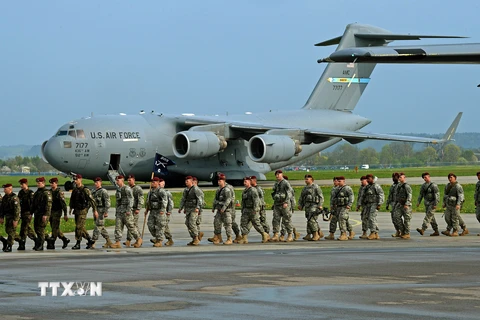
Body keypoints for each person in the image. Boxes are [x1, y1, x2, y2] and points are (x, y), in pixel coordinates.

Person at [110, 175, 143, 248]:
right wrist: (117, 211)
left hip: (126, 211)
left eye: (118, 180)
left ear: (122, 180)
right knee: (118, 227)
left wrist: (129, 210)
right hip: (120, 211)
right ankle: (117, 242)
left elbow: (131, 199)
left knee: (131, 226)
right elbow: (118, 201)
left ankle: (138, 239)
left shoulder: (127, 189)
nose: (117, 182)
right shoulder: (118, 189)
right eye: (116, 180)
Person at [237, 176, 269, 244]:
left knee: (256, 224)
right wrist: (242, 209)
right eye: (244, 182)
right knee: (243, 224)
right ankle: (244, 238)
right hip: (246, 210)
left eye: (246, 182)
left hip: (252, 210)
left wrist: (255, 210)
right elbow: (243, 201)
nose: (244, 183)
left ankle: (264, 234)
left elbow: (256, 201)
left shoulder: (253, 190)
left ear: (249, 182)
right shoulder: (245, 191)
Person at [69, 174, 97, 250]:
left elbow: (92, 200)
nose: (75, 181)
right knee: (81, 228)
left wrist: (95, 210)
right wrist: (71, 208)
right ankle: (90, 240)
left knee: (78, 227)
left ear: (81, 179)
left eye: (77, 179)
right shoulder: (75, 190)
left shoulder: (85, 190)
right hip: (76, 210)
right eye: (74, 180)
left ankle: (78, 243)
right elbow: (72, 199)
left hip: (83, 210)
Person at [270, 170, 294, 242]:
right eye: (276, 174)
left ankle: (290, 235)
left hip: (284, 203)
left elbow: (290, 192)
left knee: (286, 220)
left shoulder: (285, 183)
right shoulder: (276, 183)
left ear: (282, 175)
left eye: (279, 174)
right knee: (275, 219)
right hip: (277, 203)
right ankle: (276, 235)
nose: (277, 176)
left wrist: (286, 202)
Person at [298, 174, 324, 241]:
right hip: (307, 205)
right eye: (305, 179)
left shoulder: (316, 187)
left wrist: (320, 205)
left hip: (314, 205)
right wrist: (300, 205)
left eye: (307, 179)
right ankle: (310, 233)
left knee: (311, 219)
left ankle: (316, 234)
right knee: (309, 220)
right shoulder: (305, 188)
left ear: (312, 180)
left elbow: (321, 197)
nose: (306, 180)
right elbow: (302, 197)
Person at [46, 177, 70, 249]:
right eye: (51, 183)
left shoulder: (59, 192)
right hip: (51, 211)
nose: (51, 184)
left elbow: (63, 204)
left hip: (57, 211)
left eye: (53, 183)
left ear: (56, 184)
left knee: (54, 227)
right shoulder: (49, 192)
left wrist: (65, 214)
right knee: (54, 227)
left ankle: (52, 242)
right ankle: (64, 239)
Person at [178, 176, 202, 245]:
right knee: (187, 223)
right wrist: (181, 208)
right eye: (185, 181)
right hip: (188, 209)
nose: (186, 182)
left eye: (187, 181)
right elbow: (183, 199)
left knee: (192, 223)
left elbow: (199, 199)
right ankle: (194, 238)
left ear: (191, 182)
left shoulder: (195, 189)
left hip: (194, 209)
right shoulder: (186, 190)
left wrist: (198, 208)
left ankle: (196, 238)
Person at [211, 173, 235, 245]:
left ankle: (229, 238)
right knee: (217, 223)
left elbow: (228, 200)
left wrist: (224, 208)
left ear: (224, 181)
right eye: (218, 181)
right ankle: (218, 237)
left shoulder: (227, 190)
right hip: (219, 209)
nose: (219, 182)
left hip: (226, 210)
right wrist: (213, 207)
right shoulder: (218, 190)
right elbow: (216, 199)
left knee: (228, 224)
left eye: (220, 181)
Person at [145, 177, 168, 247]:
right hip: (152, 211)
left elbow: (165, 200)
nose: (152, 183)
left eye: (154, 182)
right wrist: (147, 209)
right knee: (150, 225)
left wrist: (162, 210)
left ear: (158, 183)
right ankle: (157, 237)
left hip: (159, 211)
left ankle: (159, 241)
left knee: (160, 226)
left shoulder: (161, 191)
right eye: (152, 182)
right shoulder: (150, 192)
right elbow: (148, 201)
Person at [32, 177, 52, 251]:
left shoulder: (46, 193)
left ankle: (41, 245)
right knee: (36, 228)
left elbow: (48, 205)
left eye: (39, 183)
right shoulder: (37, 192)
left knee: (40, 229)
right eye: (37, 183)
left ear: (43, 183)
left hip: (43, 214)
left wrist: (46, 214)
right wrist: (31, 213)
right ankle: (49, 240)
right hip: (37, 213)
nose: (38, 184)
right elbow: (34, 204)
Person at [91, 177, 112, 248]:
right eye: (95, 182)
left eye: (97, 182)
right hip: (95, 211)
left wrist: (106, 211)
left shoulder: (103, 191)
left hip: (101, 211)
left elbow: (107, 202)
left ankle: (93, 241)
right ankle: (108, 241)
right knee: (101, 227)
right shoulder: (93, 191)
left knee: (98, 226)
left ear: (100, 182)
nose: (95, 183)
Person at [332, 176, 354, 241]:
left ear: (344, 181)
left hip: (345, 206)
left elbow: (351, 196)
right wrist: (333, 205)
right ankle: (351, 232)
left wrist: (349, 205)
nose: (338, 182)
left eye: (340, 181)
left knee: (342, 218)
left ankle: (343, 234)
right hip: (338, 206)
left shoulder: (347, 188)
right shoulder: (336, 189)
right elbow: (334, 198)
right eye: (338, 181)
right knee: (344, 220)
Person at [363, 174, 384, 240]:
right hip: (368, 204)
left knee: (372, 218)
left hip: (374, 204)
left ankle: (373, 232)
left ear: (372, 179)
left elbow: (381, 194)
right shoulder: (367, 187)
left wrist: (379, 204)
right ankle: (376, 233)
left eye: (369, 179)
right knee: (369, 218)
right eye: (367, 179)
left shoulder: (376, 186)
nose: (368, 180)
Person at [17, 178, 36, 250]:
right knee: (27, 228)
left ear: (26, 184)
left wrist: (31, 213)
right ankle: (36, 240)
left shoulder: (30, 193)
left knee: (24, 229)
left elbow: (32, 204)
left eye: (22, 184)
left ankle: (22, 244)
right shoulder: (21, 192)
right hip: (22, 212)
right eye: (20, 184)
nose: (21, 186)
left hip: (28, 213)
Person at [0, 184, 20, 252]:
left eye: (5, 189)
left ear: (10, 189)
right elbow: (2, 208)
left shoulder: (14, 198)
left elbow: (17, 210)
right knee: (8, 230)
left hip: (13, 216)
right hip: (7, 216)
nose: (4, 190)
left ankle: (9, 246)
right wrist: (1, 217)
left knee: (11, 231)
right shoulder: (5, 197)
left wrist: (16, 220)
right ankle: (20, 239)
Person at [125, 174, 144, 247]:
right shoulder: (128, 188)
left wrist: (138, 208)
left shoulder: (137, 188)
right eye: (128, 180)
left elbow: (141, 199)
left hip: (135, 209)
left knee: (133, 225)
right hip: (129, 209)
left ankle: (136, 239)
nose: (129, 181)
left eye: (130, 180)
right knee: (131, 225)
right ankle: (131, 240)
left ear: (134, 180)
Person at [394, 173, 413, 239]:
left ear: (404, 178)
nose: (400, 178)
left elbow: (409, 195)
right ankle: (402, 231)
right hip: (399, 204)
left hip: (406, 205)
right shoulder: (398, 186)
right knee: (396, 217)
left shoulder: (407, 186)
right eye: (399, 177)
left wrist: (407, 204)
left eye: (401, 177)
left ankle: (407, 233)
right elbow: (396, 195)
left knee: (407, 219)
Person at [160, 178, 174, 246]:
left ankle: (169, 239)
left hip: (165, 212)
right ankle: (158, 238)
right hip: (158, 212)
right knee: (158, 226)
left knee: (164, 226)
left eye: (161, 183)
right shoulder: (156, 192)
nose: (160, 185)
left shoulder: (167, 193)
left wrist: (169, 211)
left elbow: (170, 203)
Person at [386, 173, 401, 237]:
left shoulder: (400, 185)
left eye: (395, 177)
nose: (394, 178)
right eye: (393, 177)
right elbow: (390, 195)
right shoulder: (393, 186)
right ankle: (398, 231)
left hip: (399, 204)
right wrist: (387, 204)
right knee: (393, 219)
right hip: (393, 204)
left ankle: (403, 231)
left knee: (397, 218)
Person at [192, 177, 204, 242]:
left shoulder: (198, 190)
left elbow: (201, 201)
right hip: (193, 209)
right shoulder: (192, 190)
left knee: (196, 223)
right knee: (194, 223)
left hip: (198, 209)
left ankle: (198, 235)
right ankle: (198, 234)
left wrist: (199, 209)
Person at [474, 171, 480, 236]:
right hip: (478, 202)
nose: (478, 177)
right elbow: (476, 193)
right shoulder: (478, 183)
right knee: (478, 216)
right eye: (478, 176)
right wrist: (475, 200)